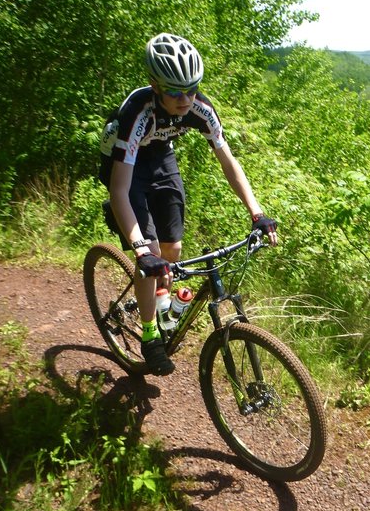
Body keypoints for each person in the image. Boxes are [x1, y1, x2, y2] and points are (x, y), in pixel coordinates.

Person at [99, 33, 277, 376]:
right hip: (126, 167)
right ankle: (150, 336)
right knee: (150, 250)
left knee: (173, 248)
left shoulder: (200, 108)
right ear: (155, 85)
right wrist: (139, 250)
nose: (186, 99)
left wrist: (257, 212)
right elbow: (119, 189)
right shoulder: (137, 112)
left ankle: (159, 299)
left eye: (192, 89)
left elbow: (229, 162)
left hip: (161, 156)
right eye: (175, 92)